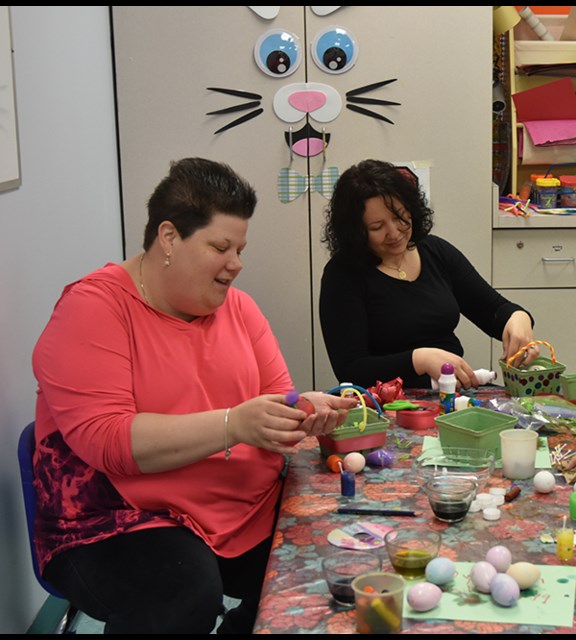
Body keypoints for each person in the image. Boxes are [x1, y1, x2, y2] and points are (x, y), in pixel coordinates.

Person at [31, 158, 356, 634]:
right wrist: (234, 424)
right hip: (119, 517)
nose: (236, 264)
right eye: (220, 247)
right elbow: (108, 441)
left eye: (240, 248)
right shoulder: (93, 309)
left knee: (332, 558)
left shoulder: (239, 308)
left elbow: (275, 400)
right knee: (184, 590)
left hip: (239, 504)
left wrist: (302, 410)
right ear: (168, 238)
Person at [319, 159, 536, 389]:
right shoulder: (343, 275)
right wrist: (419, 360)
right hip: (387, 405)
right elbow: (351, 370)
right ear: (356, 232)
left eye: (400, 216)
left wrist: (518, 318)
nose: (394, 233)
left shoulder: (435, 252)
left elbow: (493, 310)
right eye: (376, 227)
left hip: (452, 393)